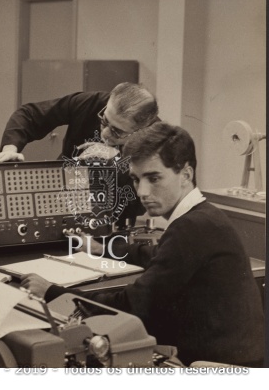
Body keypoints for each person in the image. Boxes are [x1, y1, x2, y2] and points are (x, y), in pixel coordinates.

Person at [21, 122, 265, 367]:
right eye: (136, 180)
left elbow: (131, 305)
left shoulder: (192, 227)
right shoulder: (204, 216)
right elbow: (156, 254)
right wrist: (100, 248)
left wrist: (52, 292)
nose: (142, 192)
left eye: (154, 178)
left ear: (186, 174)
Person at [0, 82, 159, 226]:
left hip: (111, 220)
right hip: (58, 200)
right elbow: (30, 114)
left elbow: (142, 201)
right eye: (104, 121)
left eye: (117, 131)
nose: (105, 134)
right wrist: (10, 149)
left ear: (141, 130)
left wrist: (115, 161)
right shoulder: (91, 103)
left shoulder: (156, 139)